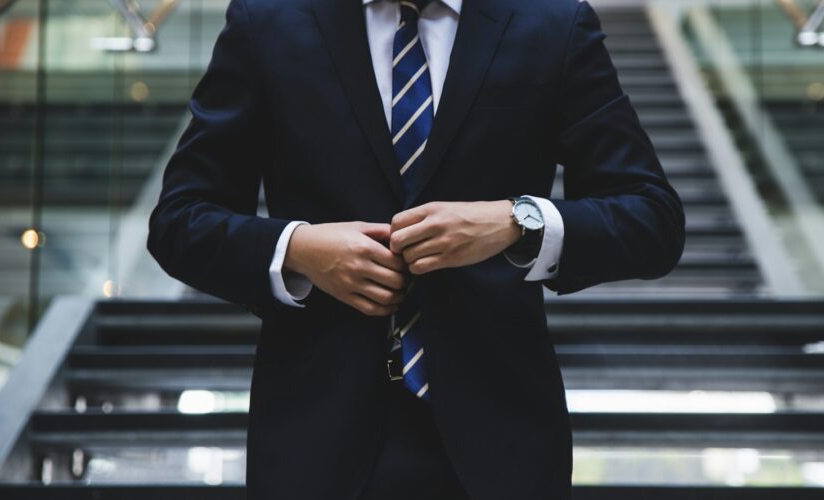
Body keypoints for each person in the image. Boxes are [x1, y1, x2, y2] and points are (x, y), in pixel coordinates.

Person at [147, 0, 685, 498]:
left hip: (502, 444)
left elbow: (651, 218)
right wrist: (297, 248)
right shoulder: (267, 18)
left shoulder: (552, 21)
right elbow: (179, 220)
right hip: (312, 439)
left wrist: (518, 221)